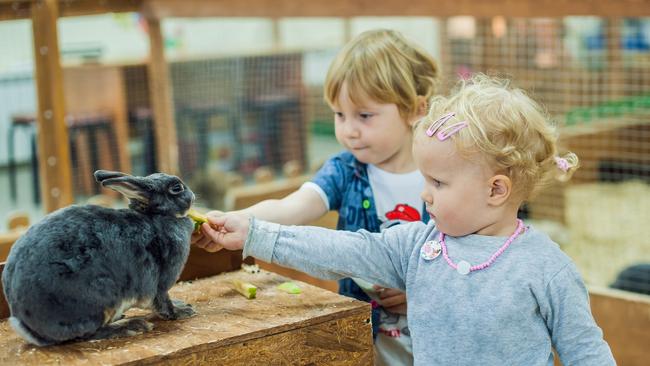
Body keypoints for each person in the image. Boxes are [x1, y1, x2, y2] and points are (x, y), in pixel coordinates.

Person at [196, 74, 615, 365]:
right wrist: (253, 233)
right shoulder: (419, 246)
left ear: (496, 190)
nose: (424, 193)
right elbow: (341, 250)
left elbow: (585, 351)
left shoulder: (546, 267)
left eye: (437, 181)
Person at [193, 29, 438, 365]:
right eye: (340, 115)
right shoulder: (345, 170)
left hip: (435, 339)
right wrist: (240, 221)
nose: (349, 130)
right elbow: (292, 206)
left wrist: (423, 292)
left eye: (364, 116)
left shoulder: (442, 174)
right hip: (369, 339)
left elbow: (469, 255)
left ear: (414, 109)